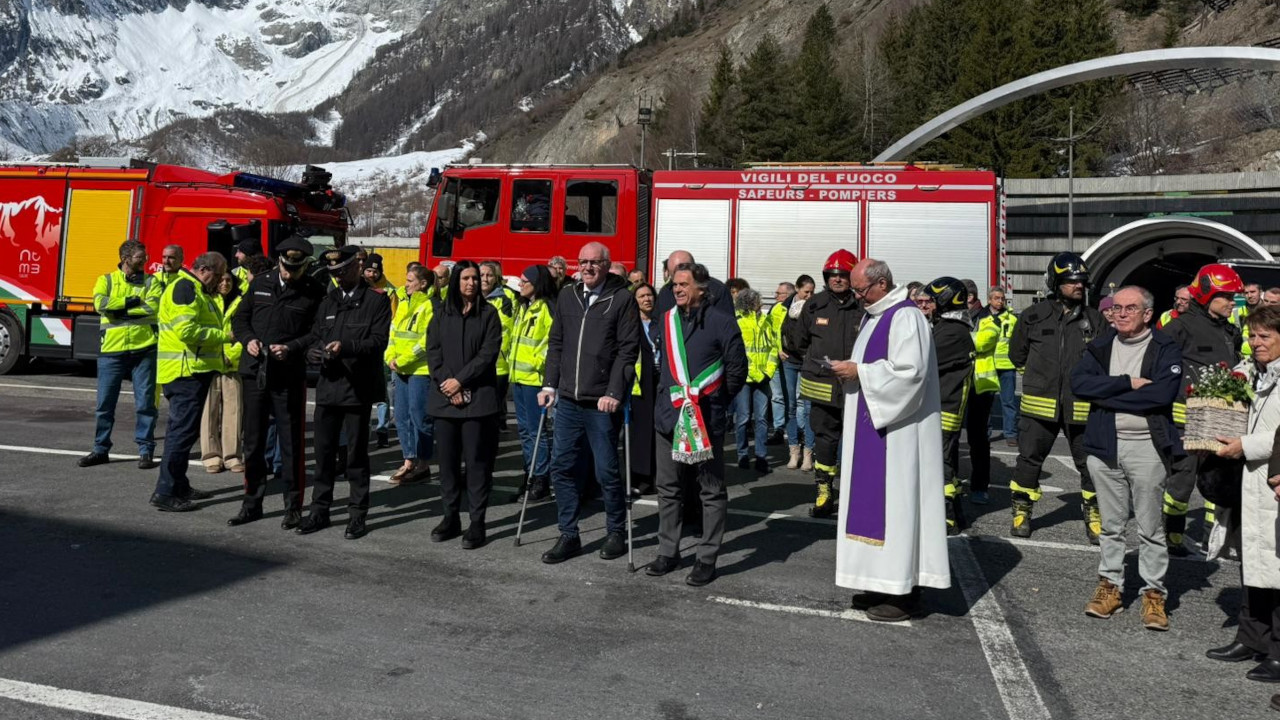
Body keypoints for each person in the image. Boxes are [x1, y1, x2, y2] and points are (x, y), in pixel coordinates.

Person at [832, 258, 949, 622]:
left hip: (898, 437)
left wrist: (859, 372)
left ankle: (904, 593)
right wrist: (853, 372)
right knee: (878, 507)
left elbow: (910, 375)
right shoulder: (876, 315)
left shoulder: (905, 317)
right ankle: (881, 581)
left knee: (897, 508)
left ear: (881, 284)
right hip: (874, 428)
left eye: (861, 289)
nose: (857, 296)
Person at [1070, 285, 1182, 631]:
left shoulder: (1165, 347)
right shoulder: (1100, 346)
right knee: (1112, 525)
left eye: (1129, 308)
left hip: (1147, 447)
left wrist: (1107, 394)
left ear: (1148, 314)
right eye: (1116, 308)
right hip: (1105, 447)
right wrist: (1126, 383)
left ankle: (1153, 594)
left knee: (1150, 527)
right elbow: (1078, 384)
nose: (1119, 314)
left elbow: (1161, 395)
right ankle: (1111, 587)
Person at [538, 241, 640, 564]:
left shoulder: (621, 299)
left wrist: (614, 392)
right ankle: (568, 533)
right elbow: (557, 343)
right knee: (561, 466)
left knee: (606, 470)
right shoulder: (568, 295)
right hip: (567, 399)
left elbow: (627, 350)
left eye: (595, 262)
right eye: (583, 262)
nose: (588, 267)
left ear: (607, 265)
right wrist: (549, 383)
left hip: (601, 402)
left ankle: (615, 531)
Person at [646, 263, 748, 586]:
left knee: (711, 491)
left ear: (702, 290)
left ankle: (706, 558)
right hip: (668, 417)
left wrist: (713, 403)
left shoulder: (723, 323)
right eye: (674, 284)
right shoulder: (666, 321)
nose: (677, 289)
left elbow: (736, 372)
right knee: (668, 488)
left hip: (704, 419)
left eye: (684, 284)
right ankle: (668, 551)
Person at [1205, 304, 1280, 685]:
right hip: (1248, 482)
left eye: (1265, 336)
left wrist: (1244, 445)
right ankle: (1251, 639)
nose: (1256, 343)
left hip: (1271, 479)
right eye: (1252, 336)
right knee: (1252, 562)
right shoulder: (1255, 372)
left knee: (1277, 567)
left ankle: (1278, 652)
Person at [294, 246, 392, 540]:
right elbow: (316, 335)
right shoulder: (329, 301)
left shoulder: (376, 301)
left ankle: (357, 515)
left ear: (357, 268)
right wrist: (311, 351)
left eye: (342, 271)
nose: (337, 277)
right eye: (333, 273)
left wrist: (344, 347)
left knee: (356, 457)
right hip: (328, 388)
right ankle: (319, 511)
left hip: (356, 389)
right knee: (323, 456)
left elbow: (377, 341)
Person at [228, 235, 326, 529]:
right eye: (285, 267)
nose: (289, 273)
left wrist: (293, 347)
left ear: (304, 266)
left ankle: (293, 506)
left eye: (295, 269)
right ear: (280, 262)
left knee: (291, 443)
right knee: (254, 441)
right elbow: (239, 320)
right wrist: (248, 341)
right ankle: (251, 503)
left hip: (288, 373)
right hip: (256, 370)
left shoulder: (313, 290)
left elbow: (318, 331)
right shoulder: (260, 282)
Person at [1008, 252, 1104, 542]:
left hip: (1082, 405)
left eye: (1082, 281)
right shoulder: (1032, 316)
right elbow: (1017, 355)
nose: (1079, 286)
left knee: (1091, 464)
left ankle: (1094, 515)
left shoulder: (1095, 319)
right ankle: (1022, 511)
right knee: (1028, 461)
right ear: (1055, 282)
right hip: (1039, 407)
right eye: (1071, 281)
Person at [1162, 264, 1243, 555]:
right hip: (1186, 421)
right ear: (1208, 294)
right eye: (1228, 296)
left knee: (1219, 478)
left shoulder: (1230, 331)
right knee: (1182, 479)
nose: (1234, 302)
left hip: (1220, 419)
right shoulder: (1179, 327)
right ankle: (1172, 532)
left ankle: (1215, 535)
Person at [426, 260, 503, 549]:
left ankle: (476, 522)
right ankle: (450, 517)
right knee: (447, 465)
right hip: (445, 401)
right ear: (456, 281)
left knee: (476, 465)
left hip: (478, 401)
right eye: (466, 278)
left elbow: (487, 355)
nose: (472, 283)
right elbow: (433, 352)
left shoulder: (489, 314)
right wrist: (449, 384)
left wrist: (461, 381)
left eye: (475, 278)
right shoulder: (441, 314)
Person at [150, 252, 228, 512]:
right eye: (217, 275)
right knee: (180, 434)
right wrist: (225, 336)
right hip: (185, 372)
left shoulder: (192, 288)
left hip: (191, 371)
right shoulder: (185, 288)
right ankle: (165, 492)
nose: (218, 282)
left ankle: (178, 485)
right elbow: (187, 331)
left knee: (183, 432)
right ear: (204, 269)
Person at [80, 240, 160, 469]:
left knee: (145, 404)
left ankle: (146, 451)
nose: (145, 261)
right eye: (140, 257)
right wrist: (130, 301)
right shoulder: (106, 280)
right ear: (126, 259)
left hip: (144, 349)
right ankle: (100, 449)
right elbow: (99, 303)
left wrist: (118, 310)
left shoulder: (151, 281)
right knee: (104, 404)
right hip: (112, 351)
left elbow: (152, 308)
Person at [795, 249, 863, 518]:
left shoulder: (864, 305)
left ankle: (855, 493)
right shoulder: (814, 305)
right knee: (825, 439)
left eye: (843, 274)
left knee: (858, 440)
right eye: (832, 274)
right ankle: (824, 492)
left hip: (857, 384)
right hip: (822, 386)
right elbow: (797, 341)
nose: (837, 279)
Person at [924, 277, 975, 535]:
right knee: (947, 463)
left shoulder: (952, 332)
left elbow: (922, 360)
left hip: (944, 409)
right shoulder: (948, 327)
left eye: (932, 300)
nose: (928, 305)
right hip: (944, 406)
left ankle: (946, 517)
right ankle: (953, 513)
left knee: (941, 464)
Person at [385, 264, 437, 486]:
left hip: (419, 371)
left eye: (410, 281)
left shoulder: (430, 305)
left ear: (422, 284)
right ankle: (408, 461)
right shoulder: (404, 303)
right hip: (400, 369)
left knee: (420, 418)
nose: (405, 284)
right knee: (402, 418)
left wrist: (404, 359)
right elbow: (394, 332)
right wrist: (389, 356)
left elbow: (425, 341)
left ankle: (423, 464)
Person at [511, 265, 559, 501]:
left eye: (524, 281)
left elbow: (553, 344)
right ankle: (529, 473)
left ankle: (541, 477)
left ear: (536, 284)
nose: (520, 284)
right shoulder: (523, 307)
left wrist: (536, 363)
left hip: (535, 380)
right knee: (524, 431)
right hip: (518, 378)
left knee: (535, 431)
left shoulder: (547, 309)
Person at [200, 266, 248, 474]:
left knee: (234, 411)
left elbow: (246, 331)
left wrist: (234, 354)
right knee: (209, 412)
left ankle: (232, 456)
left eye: (229, 280)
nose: (225, 284)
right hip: (209, 362)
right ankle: (211, 456)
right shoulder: (206, 299)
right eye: (221, 280)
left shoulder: (241, 301)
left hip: (232, 364)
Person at [967, 287, 1006, 505]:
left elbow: (980, 342)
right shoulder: (956, 317)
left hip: (980, 384)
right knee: (951, 438)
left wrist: (963, 338)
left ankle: (980, 487)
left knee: (978, 438)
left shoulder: (987, 318)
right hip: (959, 383)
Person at [733, 288, 776, 474]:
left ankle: (761, 457)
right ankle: (742, 455)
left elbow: (774, 348)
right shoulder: (737, 321)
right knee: (742, 418)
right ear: (750, 303)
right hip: (744, 378)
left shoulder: (766, 321)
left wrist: (769, 372)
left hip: (762, 377)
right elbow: (733, 350)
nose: (762, 303)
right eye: (758, 300)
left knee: (761, 420)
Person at [780, 275, 816, 471]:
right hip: (790, 361)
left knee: (809, 407)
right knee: (791, 406)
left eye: (812, 292)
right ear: (797, 289)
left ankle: (809, 453)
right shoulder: (784, 307)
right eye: (806, 292)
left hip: (807, 362)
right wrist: (778, 348)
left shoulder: (815, 307)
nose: (809, 296)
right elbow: (775, 330)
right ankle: (794, 451)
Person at [363, 252, 397, 448]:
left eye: (375, 271)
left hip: (383, 345)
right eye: (368, 270)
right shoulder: (360, 288)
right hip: (364, 345)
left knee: (382, 391)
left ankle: (382, 430)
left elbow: (391, 320)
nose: (371, 274)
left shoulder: (389, 292)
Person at [629, 282, 660, 495]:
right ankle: (638, 477)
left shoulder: (662, 322)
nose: (646, 299)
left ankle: (656, 476)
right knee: (639, 433)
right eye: (641, 296)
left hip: (660, 381)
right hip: (639, 386)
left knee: (657, 431)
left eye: (649, 295)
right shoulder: (630, 324)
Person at [481, 261, 517, 431]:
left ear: (496, 278)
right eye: (481, 275)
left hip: (497, 363)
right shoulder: (469, 297)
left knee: (493, 408)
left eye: (489, 275)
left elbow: (503, 329)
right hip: (474, 361)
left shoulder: (504, 300)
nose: (485, 279)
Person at [982, 287, 1019, 446]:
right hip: (987, 365)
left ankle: (1010, 433)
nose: (1000, 301)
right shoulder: (981, 318)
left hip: (1007, 366)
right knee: (985, 403)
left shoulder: (1012, 319)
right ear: (989, 300)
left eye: (1002, 298)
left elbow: (1017, 342)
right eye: (996, 298)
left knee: (1009, 402)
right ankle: (985, 433)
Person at [655, 251, 734, 317]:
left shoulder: (718, 290)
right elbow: (655, 322)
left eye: (683, 283)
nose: (677, 289)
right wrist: (658, 335)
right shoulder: (665, 292)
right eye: (673, 276)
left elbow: (727, 327)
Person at [768, 282, 796, 445]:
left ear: (788, 295)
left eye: (779, 293)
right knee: (777, 396)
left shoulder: (794, 309)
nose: (775, 296)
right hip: (775, 358)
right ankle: (779, 429)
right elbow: (771, 332)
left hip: (790, 358)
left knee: (794, 398)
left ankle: (797, 430)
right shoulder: (775, 308)